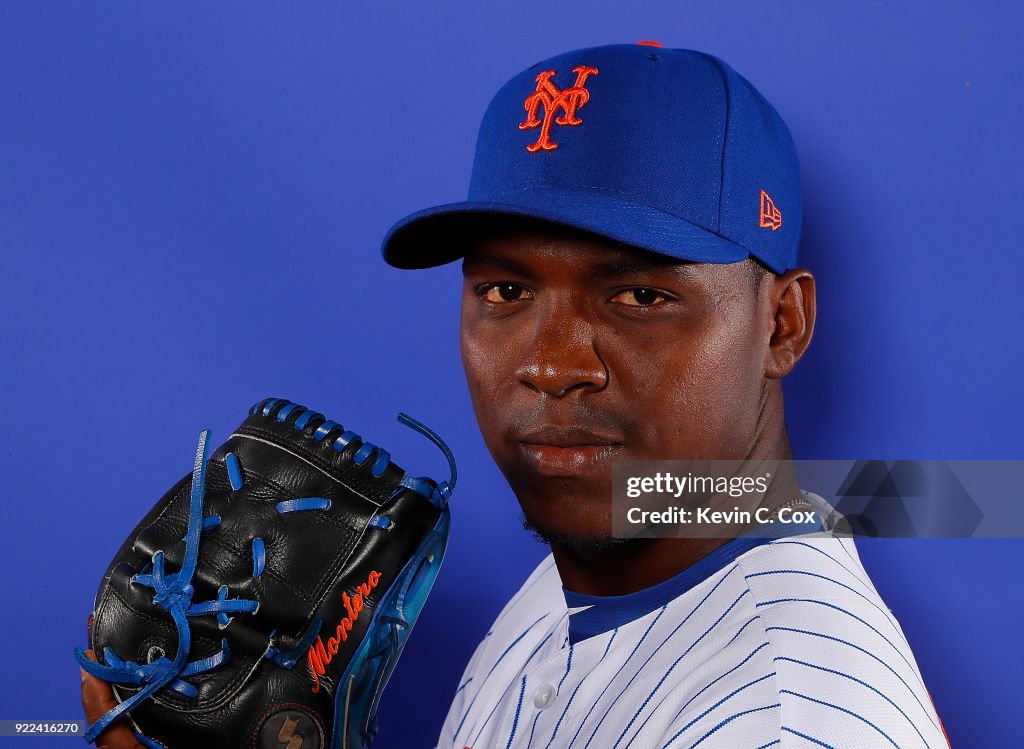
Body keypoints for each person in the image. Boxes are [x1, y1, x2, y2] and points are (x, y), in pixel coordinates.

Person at [82, 43, 950, 748]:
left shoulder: (784, 717)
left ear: (783, 325)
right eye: (506, 291)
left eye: (640, 295)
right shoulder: (581, 583)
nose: (553, 363)